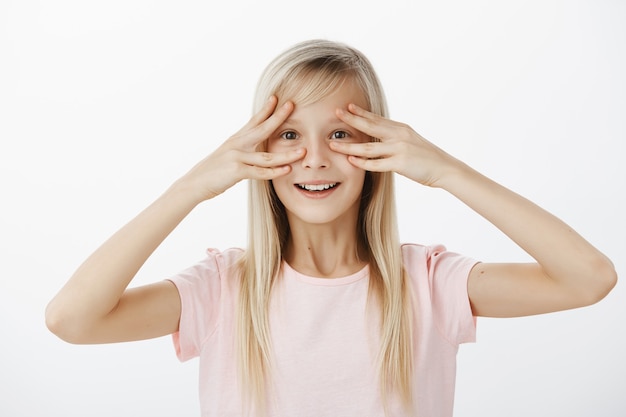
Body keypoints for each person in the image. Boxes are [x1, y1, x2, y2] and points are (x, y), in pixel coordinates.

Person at [45, 39, 617, 417]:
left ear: (377, 147)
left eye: (340, 134)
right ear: (256, 151)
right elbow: (72, 319)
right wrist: (192, 186)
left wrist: (447, 170)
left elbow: (588, 279)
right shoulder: (222, 288)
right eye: (290, 135)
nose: (315, 158)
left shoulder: (428, 282)